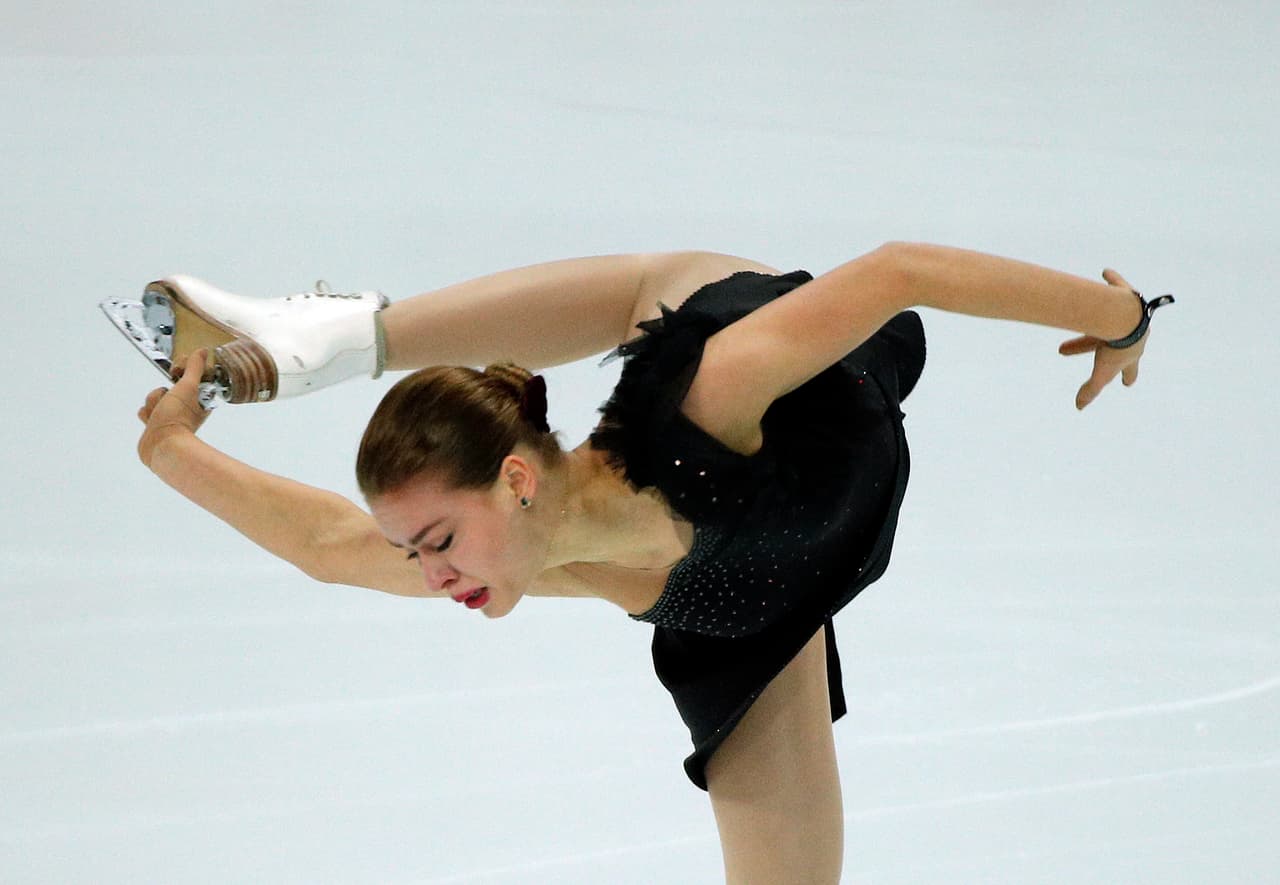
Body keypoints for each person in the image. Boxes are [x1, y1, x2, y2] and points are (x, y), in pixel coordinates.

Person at [129, 244, 1171, 884]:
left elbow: (902, 270)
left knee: (656, 289)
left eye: (437, 540)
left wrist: (1114, 316)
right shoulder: (543, 563)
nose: (429, 573)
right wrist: (172, 448)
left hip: (801, 402)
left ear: (516, 482)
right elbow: (326, 547)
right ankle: (342, 338)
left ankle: (347, 336)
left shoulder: (713, 396)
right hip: (759, 616)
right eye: (417, 552)